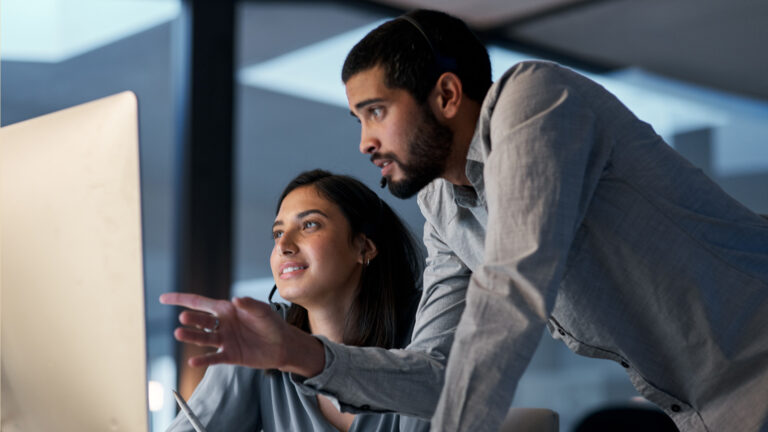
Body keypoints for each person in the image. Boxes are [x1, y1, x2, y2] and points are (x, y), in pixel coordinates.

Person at [337, 9, 768, 432]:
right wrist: (301, 354)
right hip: (710, 410)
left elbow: (513, 286)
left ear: (447, 95)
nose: (363, 143)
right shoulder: (442, 203)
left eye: (376, 112)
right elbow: (435, 375)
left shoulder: (534, 99)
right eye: (357, 120)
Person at [161, 169, 429, 432]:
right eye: (278, 233)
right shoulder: (258, 336)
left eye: (309, 225)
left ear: (364, 247)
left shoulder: (427, 330)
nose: (283, 245)